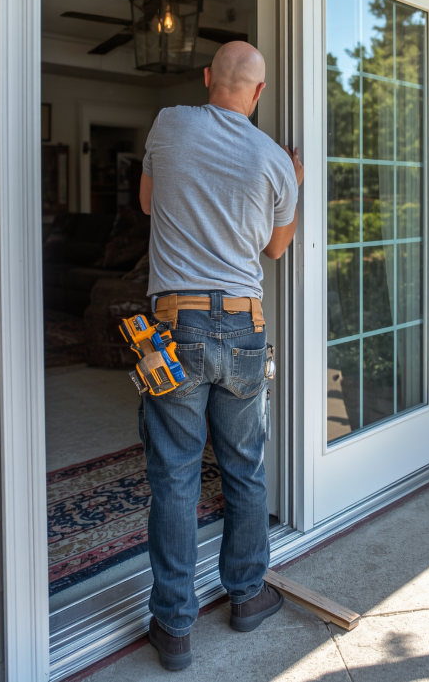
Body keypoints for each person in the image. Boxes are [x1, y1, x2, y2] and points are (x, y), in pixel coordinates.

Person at [139, 41, 304, 671]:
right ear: (257, 93)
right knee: (244, 467)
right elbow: (276, 249)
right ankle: (247, 594)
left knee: (175, 474)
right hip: (243, 325)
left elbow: (150, 203)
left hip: (175, 323)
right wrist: (291, 182)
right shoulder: (274, 160)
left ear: (208, 78)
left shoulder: (169, 123)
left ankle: (174, 627)